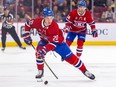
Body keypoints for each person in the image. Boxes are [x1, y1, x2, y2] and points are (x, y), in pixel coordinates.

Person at [22, 7, 95, 80]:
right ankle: (40, 71)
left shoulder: (54, 27)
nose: (50, 20)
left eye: (51, 18)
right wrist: (26, 35)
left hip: (58, 43)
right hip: (44, 41)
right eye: (47, 18)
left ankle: (85, 70)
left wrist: (44, 50)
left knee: (72, 58)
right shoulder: (37, 22)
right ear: (43, 17)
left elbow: (54, 44)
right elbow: (28, 24)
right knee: (38, 52)